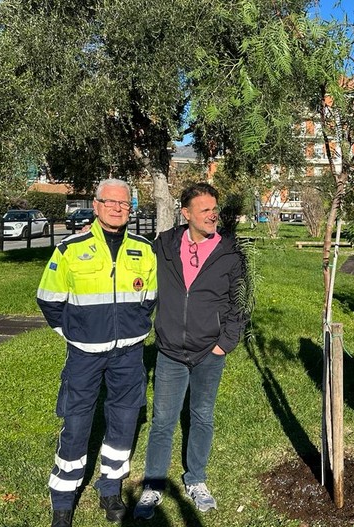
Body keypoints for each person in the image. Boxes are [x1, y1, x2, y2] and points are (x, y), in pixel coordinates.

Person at [36, 179, 157, 527]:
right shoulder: (71, 249)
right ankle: (63, 499)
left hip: (129, 355)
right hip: (84, 356)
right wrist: (74, 334)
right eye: (110, 202)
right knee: (75, 424)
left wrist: (131, 328)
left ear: (130, 209)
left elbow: (148, 299)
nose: (118, 208)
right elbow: (48, 300)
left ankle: (110, 488)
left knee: (123, 420)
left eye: (124, 204)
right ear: (96, 204)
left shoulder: (143, 249)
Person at [133, 182, 247, 520]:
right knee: (163, 420)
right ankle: (153, 485)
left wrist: (224, 343)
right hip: (170, 350)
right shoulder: (164, 245)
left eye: (215, 208)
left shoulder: (230, 252)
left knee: (201, 416)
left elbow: (239, 304)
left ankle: (196, 479)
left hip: (209, 352)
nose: (213, 215)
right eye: (205, 210)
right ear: (186, 214)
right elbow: (134, 265)